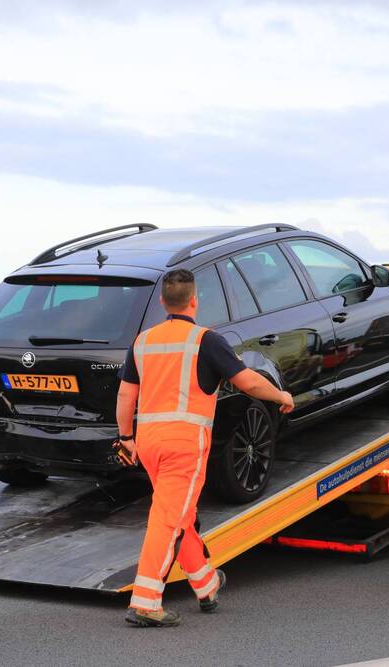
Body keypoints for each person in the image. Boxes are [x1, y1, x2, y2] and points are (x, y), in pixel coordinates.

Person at [116, 268, 294, 627]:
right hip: (184, 443)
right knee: (169, 518)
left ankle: (205, 582)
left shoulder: (143, 341)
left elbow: (125, 394)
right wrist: (280, 395)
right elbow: (247, 382)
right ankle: (146, 601)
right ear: (195, 301)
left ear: (164, 302)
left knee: (178, 514)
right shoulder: (206, 341)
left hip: (149, 442)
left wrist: (125, 438)